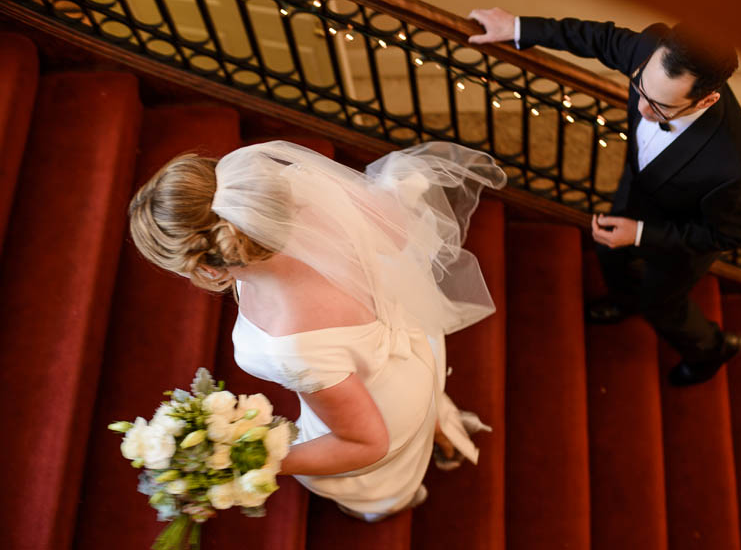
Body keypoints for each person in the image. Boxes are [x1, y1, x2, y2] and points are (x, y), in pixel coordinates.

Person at [128, 140, 504, 520]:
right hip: (406, 343)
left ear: (208, 269)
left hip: (382, 402)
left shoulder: (293, 344)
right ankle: (438, 429)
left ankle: (410, 470)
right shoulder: (302, 197)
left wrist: (250, 462)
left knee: (362, 482)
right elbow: (399, 238)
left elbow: (366, 444)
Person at [468, 9, 741, 386]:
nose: (641, 109)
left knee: (662, 306)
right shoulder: (652, 49)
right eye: (640, 86)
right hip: (636, 190)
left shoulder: (735, 168)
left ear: (705, 102)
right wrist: (519, 28)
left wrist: (640, 234)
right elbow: (599, 38)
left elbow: (729, 236)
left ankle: (710, 349)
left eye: (660, 107)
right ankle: (623, 300)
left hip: (677, 242)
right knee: (609, 252)